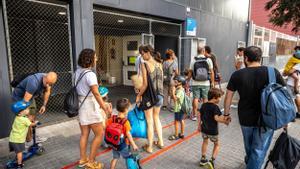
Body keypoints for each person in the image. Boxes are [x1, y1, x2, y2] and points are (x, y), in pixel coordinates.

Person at [224, 46, 285, 169]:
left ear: (246, 58)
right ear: (260, 58)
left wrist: (226, 114)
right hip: (268, 118)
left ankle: (251, 164)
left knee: (250, 147)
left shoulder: (237, 74)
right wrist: (285, 118)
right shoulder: (273, 72)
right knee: (258, 150)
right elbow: (283, 95)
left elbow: (228, 97)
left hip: (245, 118)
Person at [75, 49, 108, 169]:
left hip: (81, 105)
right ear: (89, 59)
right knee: (99, 134)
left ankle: (83, 159)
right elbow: (96, 93)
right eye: (95, 57)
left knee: (84, 134)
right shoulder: (90, 74)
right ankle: (91, 162)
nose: (97, 59)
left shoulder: (77, 72)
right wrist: (104, 107)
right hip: (90, 106)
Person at [12, 71, 57, 146]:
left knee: (32, 115)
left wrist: (44, 105)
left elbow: (47, 92)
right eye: (47, 83)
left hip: (30, 96)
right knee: (25, 119)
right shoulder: (33, 82)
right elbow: (25, 102)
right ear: (44, 77)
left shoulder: (48, 81)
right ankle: (28, 141)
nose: (48, 85)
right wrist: (24, 113)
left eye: (51, 84)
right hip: (20, 98)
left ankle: (33, 137)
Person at [136, 45, 164, 153]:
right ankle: (161, 142)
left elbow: (145, 84)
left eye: (142, 54)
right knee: (156, 118)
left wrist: (139, 95)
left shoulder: (145, 64)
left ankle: (150, 147)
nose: (142, 56)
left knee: (149, 121)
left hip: (150, 96)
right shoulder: (159, 63)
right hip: (160, 95)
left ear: (147, 52)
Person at [199, 88, 229, 167]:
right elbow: (217, 118)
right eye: (220, 97)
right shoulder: (215, 107)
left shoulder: (204, 105)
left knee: (205, 142)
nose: (220, 99)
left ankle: (203, 159)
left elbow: (199, 115)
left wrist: (199, 125)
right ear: (215, 97)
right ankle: (211, 161)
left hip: (204, 129)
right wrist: (225, 121)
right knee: (217, 144)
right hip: (212, 131)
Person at [108, 98, 138, 169]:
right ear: (126, 110)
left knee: (115, 158)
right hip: (123, 145)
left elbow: (106, 126)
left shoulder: (112, 118)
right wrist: (133, 144)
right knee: (129, 157)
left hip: (114, 143)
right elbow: (128, 134)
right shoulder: (126, 122)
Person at [188, 46, 215, 121]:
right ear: (203, 51)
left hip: (195, 82)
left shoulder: (193, 60)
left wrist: (187, 80)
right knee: (205, 98)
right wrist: (212, 82)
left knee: (195, 98)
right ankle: (205, 115)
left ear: (197, 51)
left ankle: (194, 115)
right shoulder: (208, 60)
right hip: (206, 83)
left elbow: (190, 72)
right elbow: (212, 72)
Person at [168, 75, 186, 140]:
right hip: (181, 108)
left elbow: (175, 99)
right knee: (181, 120)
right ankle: (182, 134)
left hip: (178, 109)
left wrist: (173, 91)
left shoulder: (180, 91)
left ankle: (176, 135)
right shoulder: (181, 89)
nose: (174, 83)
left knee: (176, 122)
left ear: (180, 83)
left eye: (175, 82)